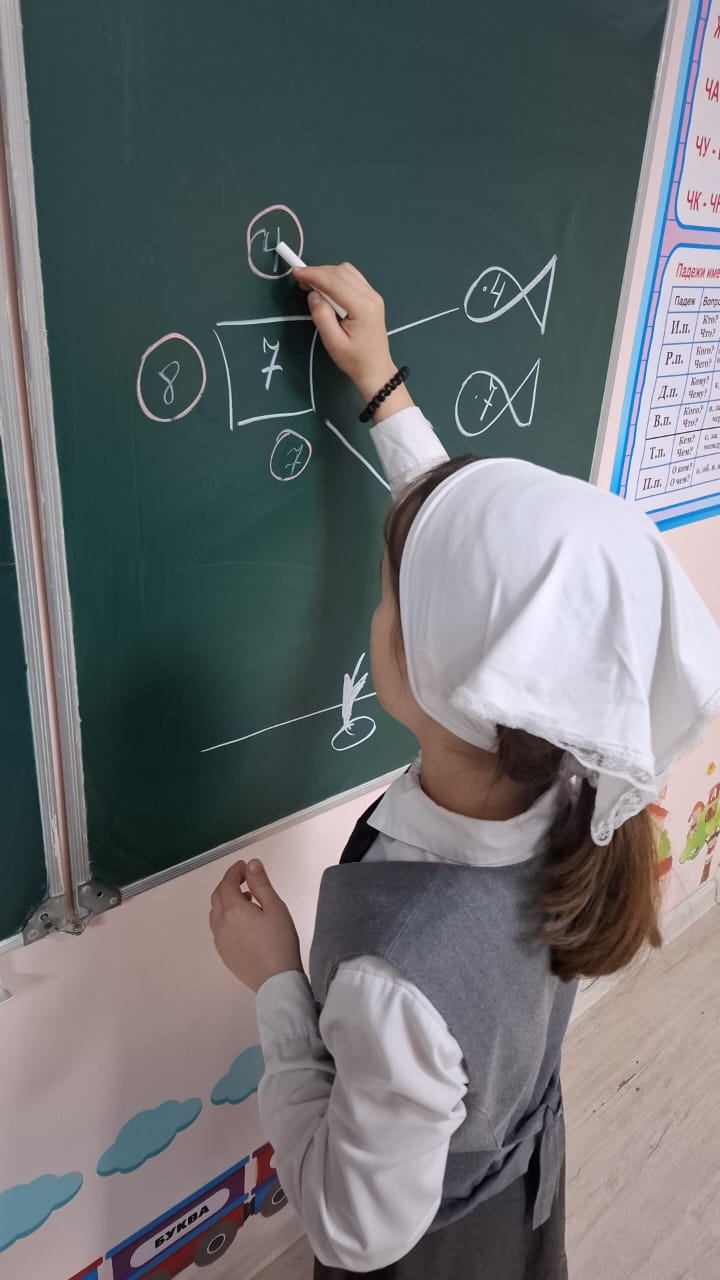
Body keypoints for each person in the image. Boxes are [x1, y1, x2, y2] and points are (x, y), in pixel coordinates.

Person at [210, 264, 720, 1279]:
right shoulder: (571, 772)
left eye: (389, 596)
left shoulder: (399, 981)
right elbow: (488, 576)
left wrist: (276, 985)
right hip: (521, 1190)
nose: (379, 607)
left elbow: (352, 1226)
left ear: (435, 669)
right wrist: (382, 384)